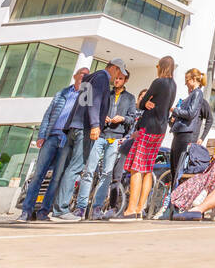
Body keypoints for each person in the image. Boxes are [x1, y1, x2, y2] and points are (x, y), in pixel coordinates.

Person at [54, 58, 129, 220]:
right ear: (114, 68)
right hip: (85, 127)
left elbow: (82, 102)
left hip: (74, 125)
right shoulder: (102, 78)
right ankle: (62, 209)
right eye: (118, 72)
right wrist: (95, 124)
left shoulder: (91, 77)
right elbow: (94, 103)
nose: (116, 77)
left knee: (69, 168)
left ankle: (59, 206)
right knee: (76, 168)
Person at [18, 68, 89, 222]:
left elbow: (86, 116)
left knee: (56, 178)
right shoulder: (62, 93)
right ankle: (26, 211)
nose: (84, 76)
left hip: (67, 140)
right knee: (38, 176)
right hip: (51, 137)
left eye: (87, 75)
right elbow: (48, 115)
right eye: (81, 73)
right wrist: (41, 135)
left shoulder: (85, 96)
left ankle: (44, 212)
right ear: (75, 76)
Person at [118, 55, 174, 219]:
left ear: (161, 67)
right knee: (148, 169)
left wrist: (146, 103)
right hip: (160, 130)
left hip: (148, 128)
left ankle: (131, 209)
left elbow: (141, 103)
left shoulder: (159, 82)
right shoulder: (173, 85)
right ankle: (140, 208)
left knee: (136, 168)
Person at [84, 61, 136, 218]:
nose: (117, 80)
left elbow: (132, 118)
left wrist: (122, 118)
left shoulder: (130, 98)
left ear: (126, 80)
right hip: (101, 134)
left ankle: (97, 208)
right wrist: (102, 118)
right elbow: (97, 107)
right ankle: (82, 206)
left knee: (107, 173)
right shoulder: (107, 92)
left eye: (121, 78)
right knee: (89, 170)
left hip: (116, 137)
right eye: (117, 78)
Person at [168, 67, 212, 180]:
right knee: (174, 166)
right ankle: (173, 193)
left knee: (179, 168)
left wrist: (174, 110)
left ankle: (176, 194)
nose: (185, 83)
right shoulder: (191, 96)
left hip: (186, 135)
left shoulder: (198, 94)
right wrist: (173, 120)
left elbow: (190, 113)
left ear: (193, 79)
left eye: (187, 80)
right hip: (180, 133)